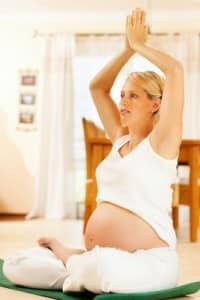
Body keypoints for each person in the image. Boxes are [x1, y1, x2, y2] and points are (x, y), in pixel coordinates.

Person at [3, 8, 184, 294]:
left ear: (156, 103)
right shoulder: (120, 139)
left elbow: (175, 71)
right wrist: (126, 50)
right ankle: (80, 266)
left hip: (149, 263)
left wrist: (140, 46)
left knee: (100, 268)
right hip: (106, 260)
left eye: (133, 96)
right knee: (15, 264)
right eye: (122, 95)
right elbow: (97, 87)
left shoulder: (162, 143)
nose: (123, 102)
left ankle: (73, 260)